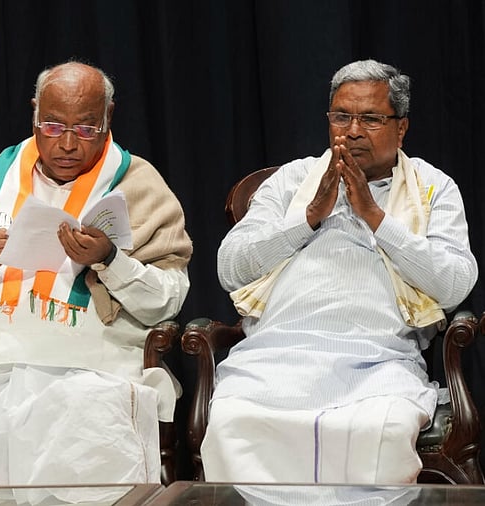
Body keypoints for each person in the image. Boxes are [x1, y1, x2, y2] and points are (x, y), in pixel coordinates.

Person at [0, 61, 192, 494]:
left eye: (85, 129)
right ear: (33, 112)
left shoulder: (139, 185)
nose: (67, 144)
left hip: (90, 365)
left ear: (109, 118)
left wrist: (110, 260)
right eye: (52, 125)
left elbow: (167, 299)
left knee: (87, 427)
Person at [203, 59, 478, 484]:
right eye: (341, 117)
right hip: (276, 357)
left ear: (401, 128)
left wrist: (376, 217)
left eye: (370, 119)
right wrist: (309, 217)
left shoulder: (432, 187)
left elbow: (454, 284)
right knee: (231, 421)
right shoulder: (293, 181)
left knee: (379, 432)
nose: (351, 131)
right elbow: (231, 268)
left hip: (380, 361)